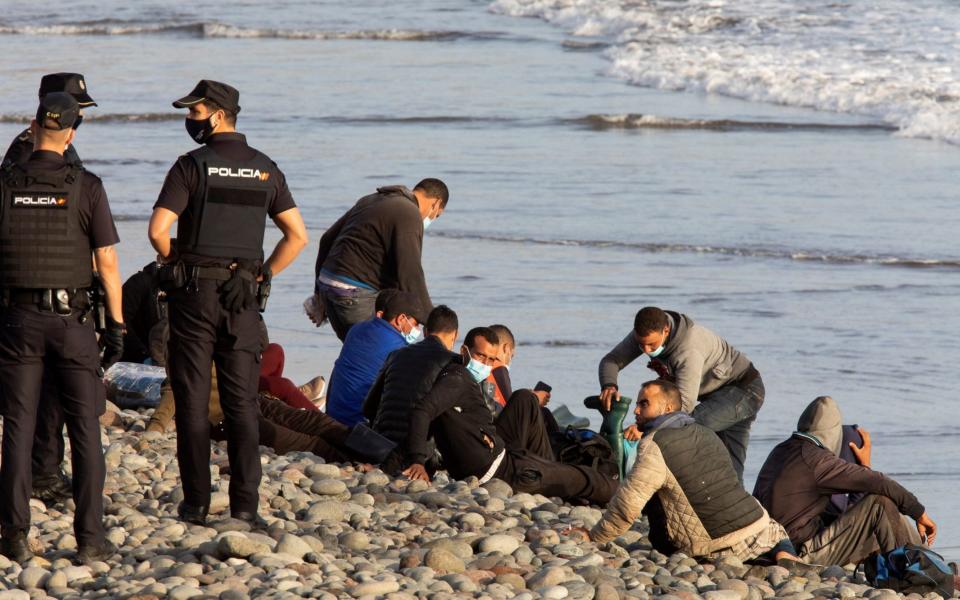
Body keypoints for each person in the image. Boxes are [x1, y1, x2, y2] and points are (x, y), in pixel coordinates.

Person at [147, 80, 308, 526]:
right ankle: (245, 506)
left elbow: (158, 229)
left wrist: (173, 261)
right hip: (243, 298)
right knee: (242, 404)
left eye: (194, 113)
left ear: (217, 115)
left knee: (193, 400)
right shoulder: (265, 169)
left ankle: (196, 503)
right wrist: (263, 272)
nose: (189, 120)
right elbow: (297, 236)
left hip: (195, 296)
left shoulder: (190, 166)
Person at [0, 92, 124, 564]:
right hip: (72, 323)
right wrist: (116, 326)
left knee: (18, 424)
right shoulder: (86, 185)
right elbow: (107, 262)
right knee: (85, 430)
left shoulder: (4, 183)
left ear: (33, 126)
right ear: (72, 133)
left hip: (16, 322)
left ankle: (13, 534)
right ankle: (90, 540)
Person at [2, 73, 99, 505]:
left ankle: (44, 470)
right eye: (79, 108)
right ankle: (42, 473)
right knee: (43, 399)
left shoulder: (52, 151)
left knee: (49, 398)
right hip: (36, 299)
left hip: (48, 298)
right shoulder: (26, 155)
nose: (82, 116)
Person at [583, 380, 797, 564]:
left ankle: (755, 560)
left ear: (667, 409)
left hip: (712, 543)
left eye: (644, 404)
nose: (636, 410)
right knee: (773, 530)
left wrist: (594, 537)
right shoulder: (706, 432)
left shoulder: (655, 444)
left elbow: (628, 504)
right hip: (756, 524)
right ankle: (784, 555)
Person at [402, 327, 618, 505]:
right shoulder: (456, 380)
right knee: (583, 477)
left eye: (490, 360)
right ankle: (633, 500)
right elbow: (423, 411)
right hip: (503, 471)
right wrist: (417, 461)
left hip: (502, 454)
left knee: (525, 398)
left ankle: (550, 469)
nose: (485, 364)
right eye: (480, 356)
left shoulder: (454, 374)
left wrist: (405, 461)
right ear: (464, 350)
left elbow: (432, 417)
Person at [753, 396, 936, 566]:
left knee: (872, 525)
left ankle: (921, 563)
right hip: (801, 552)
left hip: (771, 544)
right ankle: (925, 569)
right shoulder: (818, 460)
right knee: (880, 503)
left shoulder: (780, 450)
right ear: (833, 433)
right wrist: (919, 513)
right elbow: (880, 483)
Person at [599, 306, 762, 482]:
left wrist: (643, 429)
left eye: (651, 345)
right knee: (731, 470)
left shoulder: (688, 350)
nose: (645, 350)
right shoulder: (645, 334)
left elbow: (683, 407)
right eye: (641, 344)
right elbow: (611, 360)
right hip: (712, 394)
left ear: (666, 330)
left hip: (743, 391)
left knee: (684, 429)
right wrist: (609, 386)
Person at [311, 178, 448, 341]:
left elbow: (326, 239)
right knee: (382, 357)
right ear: (436, 203)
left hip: (328, 286)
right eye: (436, 216)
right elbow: (410, 273)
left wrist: (318, 292)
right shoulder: (409, 213)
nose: (430, 219)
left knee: (357, 354)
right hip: (354, 294)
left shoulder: (372, 200)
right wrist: (432, 322)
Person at [362, 304, 460, 461]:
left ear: (425, 331)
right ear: (455, 335)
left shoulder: (395, 355)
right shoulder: (453, 362)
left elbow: (369, 407)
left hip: (380, 446)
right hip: (421, 455)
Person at [326, 290, 425, 426]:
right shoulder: (400, 349)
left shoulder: (356, 329)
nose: (417, 329)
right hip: (360, 426)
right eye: (415, 323)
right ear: (401, 319)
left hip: (333, 415)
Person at [120, 261, 165, 364]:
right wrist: (143, 355)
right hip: (138, 362)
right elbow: (120, 321)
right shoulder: (139, 282)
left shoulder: (188, 288)